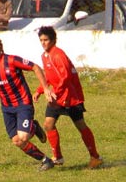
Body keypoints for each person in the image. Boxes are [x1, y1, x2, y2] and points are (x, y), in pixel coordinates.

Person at [0, 37, 56, 171]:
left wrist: (45, 88)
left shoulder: (12, 60)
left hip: (23, 104)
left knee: (23, 136)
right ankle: (46, 160)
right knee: (17, 141)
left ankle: (33, 126)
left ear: (0, 50)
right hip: (6, 108)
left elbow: (35, 67)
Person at [33, 26, 103, 169]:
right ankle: (57, 157)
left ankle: (95, 157)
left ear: (53, 40)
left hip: (70, 97)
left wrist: (54, 92)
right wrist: (40, 90)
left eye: (46, 40)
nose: (43, 43)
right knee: (48, 124)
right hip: (57, 97)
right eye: (41, 40)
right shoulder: (45, 55)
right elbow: (51, 77)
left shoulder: (58, 55)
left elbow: (65, 77)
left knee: (80, 125)